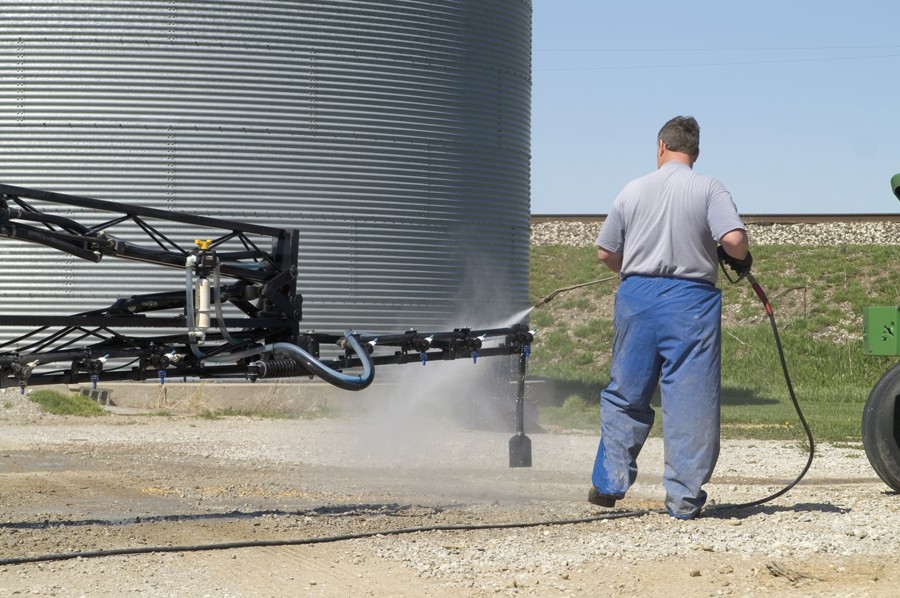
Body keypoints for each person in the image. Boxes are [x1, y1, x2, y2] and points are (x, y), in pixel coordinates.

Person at [588, 115, 751, 520]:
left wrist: (637, 270)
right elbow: (731, 240)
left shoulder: (633, 188)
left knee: (625, 393)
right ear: (694, 152)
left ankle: (608, 485)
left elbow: (606, 253)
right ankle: (683, 501)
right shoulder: (709, 187)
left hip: (637, 297)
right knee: (690, 398)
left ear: (661, 146)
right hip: (691, 302)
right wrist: (742, 256)